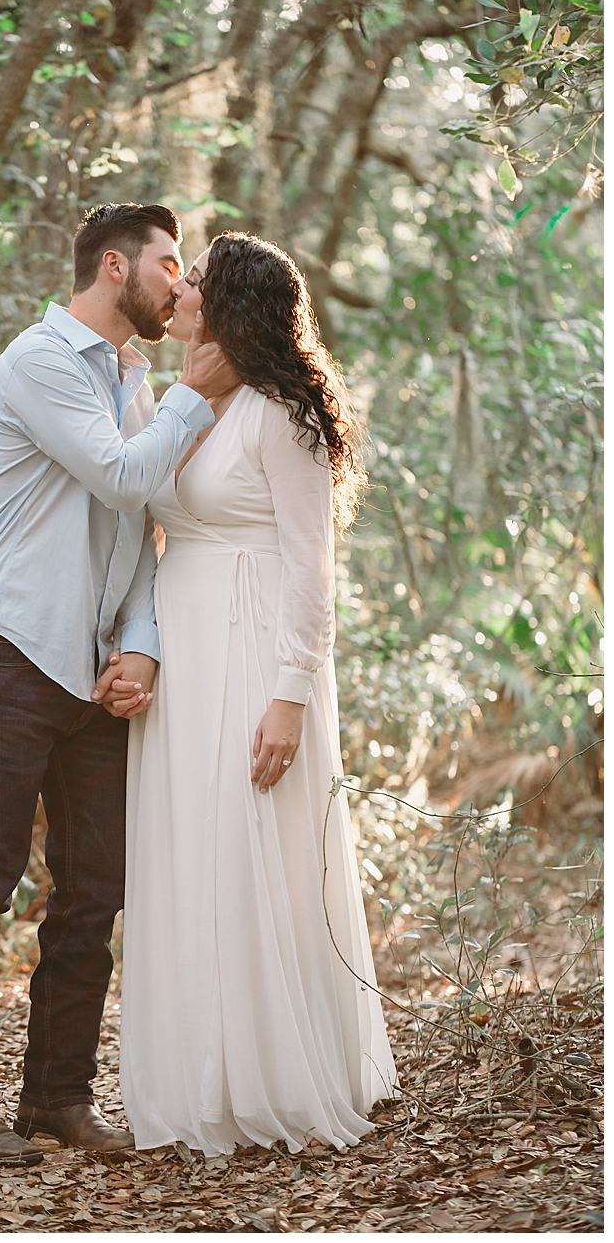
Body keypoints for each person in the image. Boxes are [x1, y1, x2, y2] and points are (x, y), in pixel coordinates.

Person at [0, 204, 233, 1163]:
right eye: (169, 264)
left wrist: (140, 645)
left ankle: (56, 1098)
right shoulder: (38, 362)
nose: (182, 284)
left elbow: (142, 537)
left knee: (92, 894)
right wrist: (196, 391)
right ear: (113, 264)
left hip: (92, 675)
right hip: (10, 655)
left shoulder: (135, 378)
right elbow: (120, 476)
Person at [119, 232, 397, 1154]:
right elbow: (152, 538)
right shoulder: (180, 401)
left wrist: (290, 695)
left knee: (250, 853)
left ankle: (275, 1071)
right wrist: (141, 648)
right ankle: (201, 1073)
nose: (179, 289)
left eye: (193, 279)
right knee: (188, 849)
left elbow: (313, 575)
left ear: (228, 303)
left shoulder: (283, 414)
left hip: (259, 654)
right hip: (183, 653)